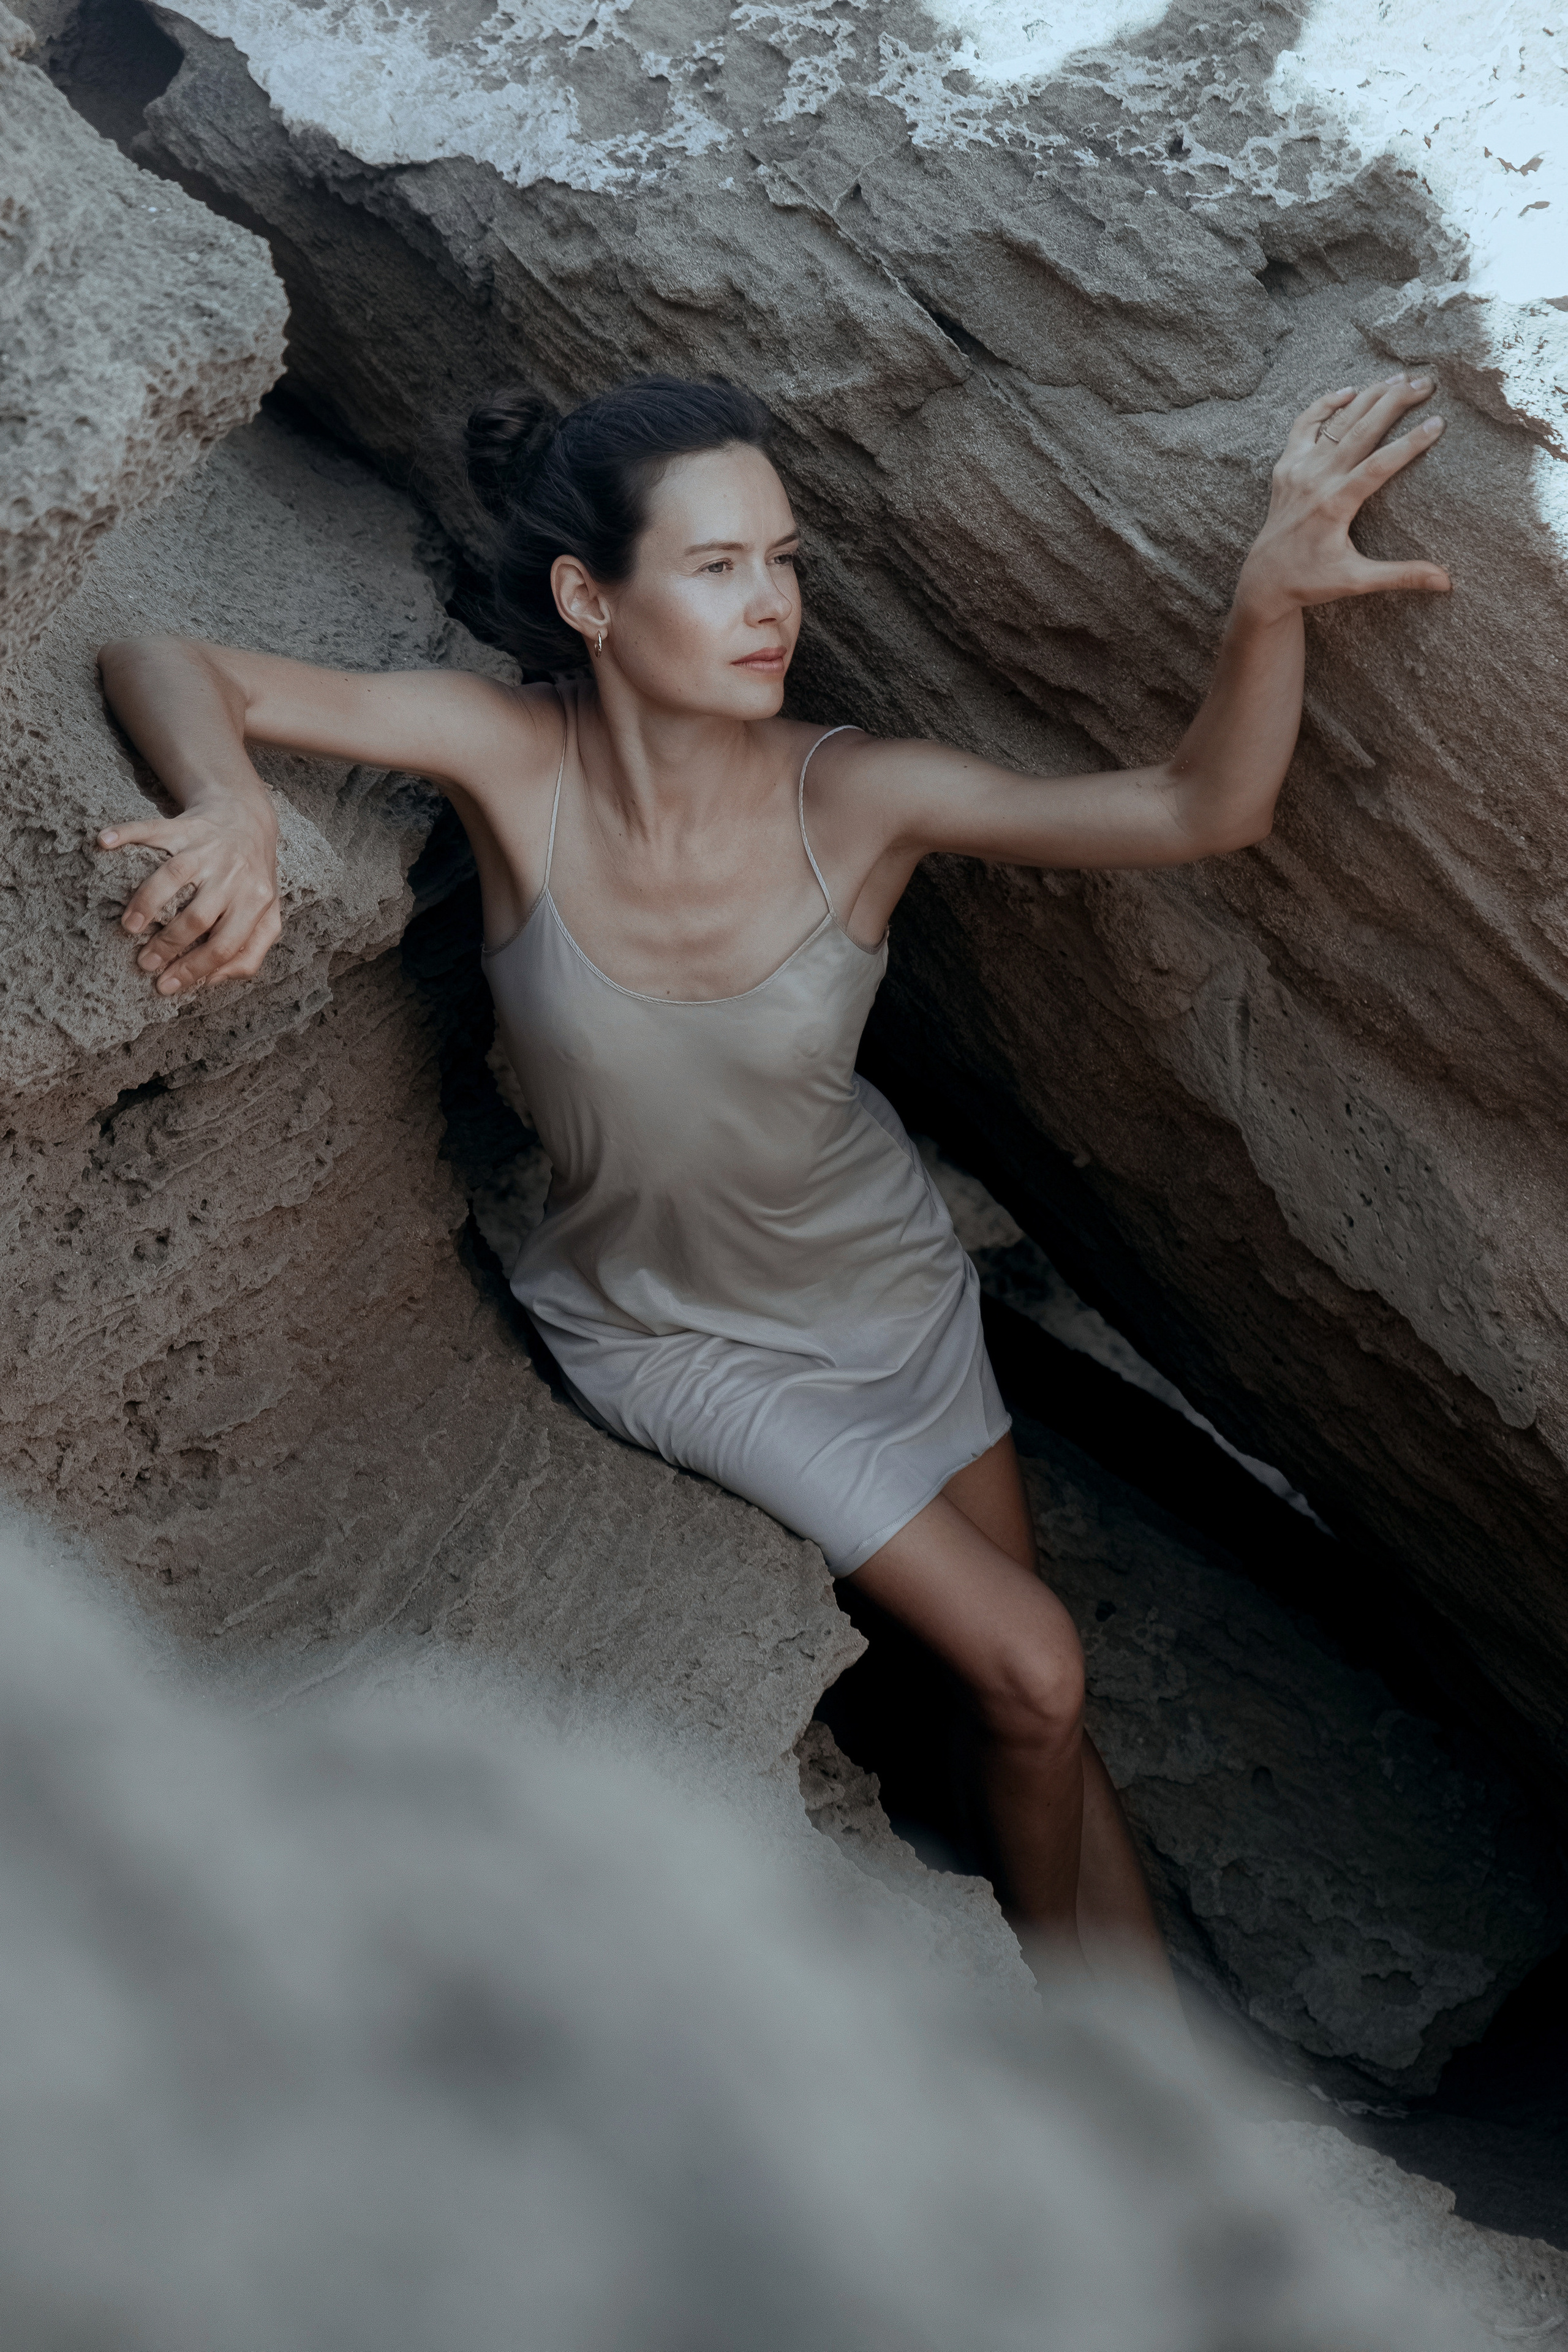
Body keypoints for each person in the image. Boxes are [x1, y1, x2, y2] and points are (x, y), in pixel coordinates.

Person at [94, 371, 1449, 1973]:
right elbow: (158, 657)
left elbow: (1195, 806)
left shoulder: (854, 795)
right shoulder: (507, 757)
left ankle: (1146, 2049)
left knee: (1027, 1712)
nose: (771, 606)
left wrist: (1269, 596)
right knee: (1032, 1667)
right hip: (679, 1334)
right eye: (719, 566)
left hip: (890, 1292)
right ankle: (1103, 2057)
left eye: (785, 560)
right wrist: (233, 813)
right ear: (590, 599)